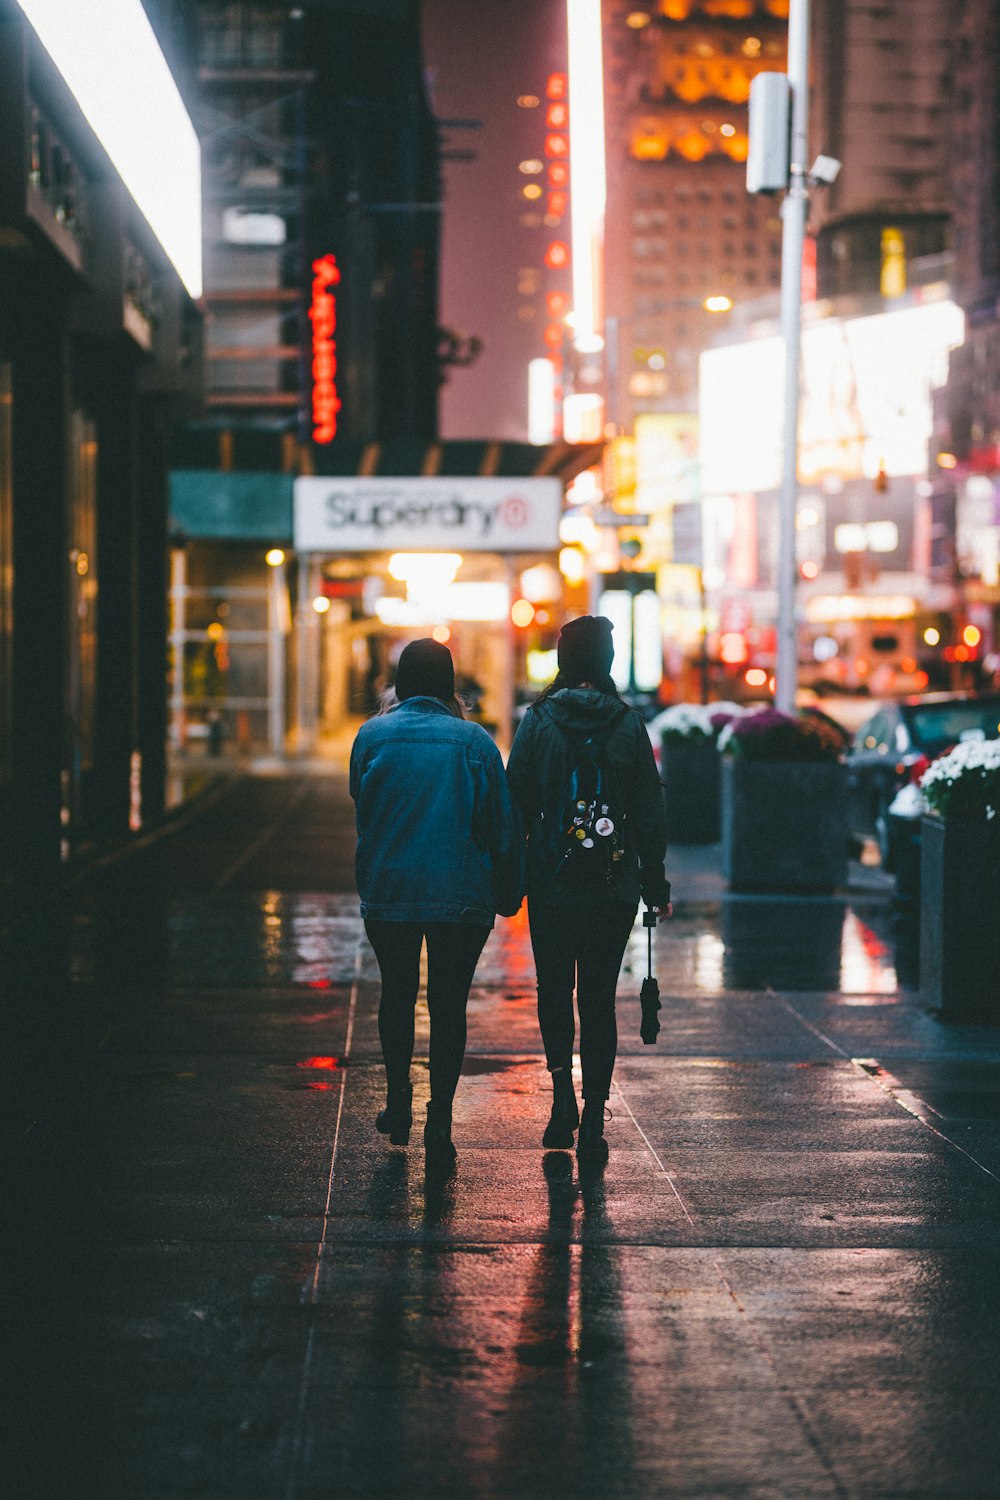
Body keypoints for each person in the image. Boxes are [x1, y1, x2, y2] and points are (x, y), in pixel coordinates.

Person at [350, 638, 523, 1165]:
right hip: (460, 893)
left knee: (397, 994)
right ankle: (440, 1120)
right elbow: (501, 825)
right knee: (449, 1004)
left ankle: (398, 1102)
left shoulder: (371, 737)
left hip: (391, 888)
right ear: (451, 686)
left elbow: (363, 800)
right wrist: (509, 889)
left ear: (400, 685)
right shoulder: (476, 743)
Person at [506, 615, 671, 1163]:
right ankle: (596, 1115)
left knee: (554, 990)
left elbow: (516, 807)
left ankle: (561, 1100)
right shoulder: (628, 724)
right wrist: (655, 881)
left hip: (551, 884)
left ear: (564, 658)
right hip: (613, 885)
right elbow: (649, 810)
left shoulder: (537, 721)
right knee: (598, 999)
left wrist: (511, 876)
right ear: (605, 660)